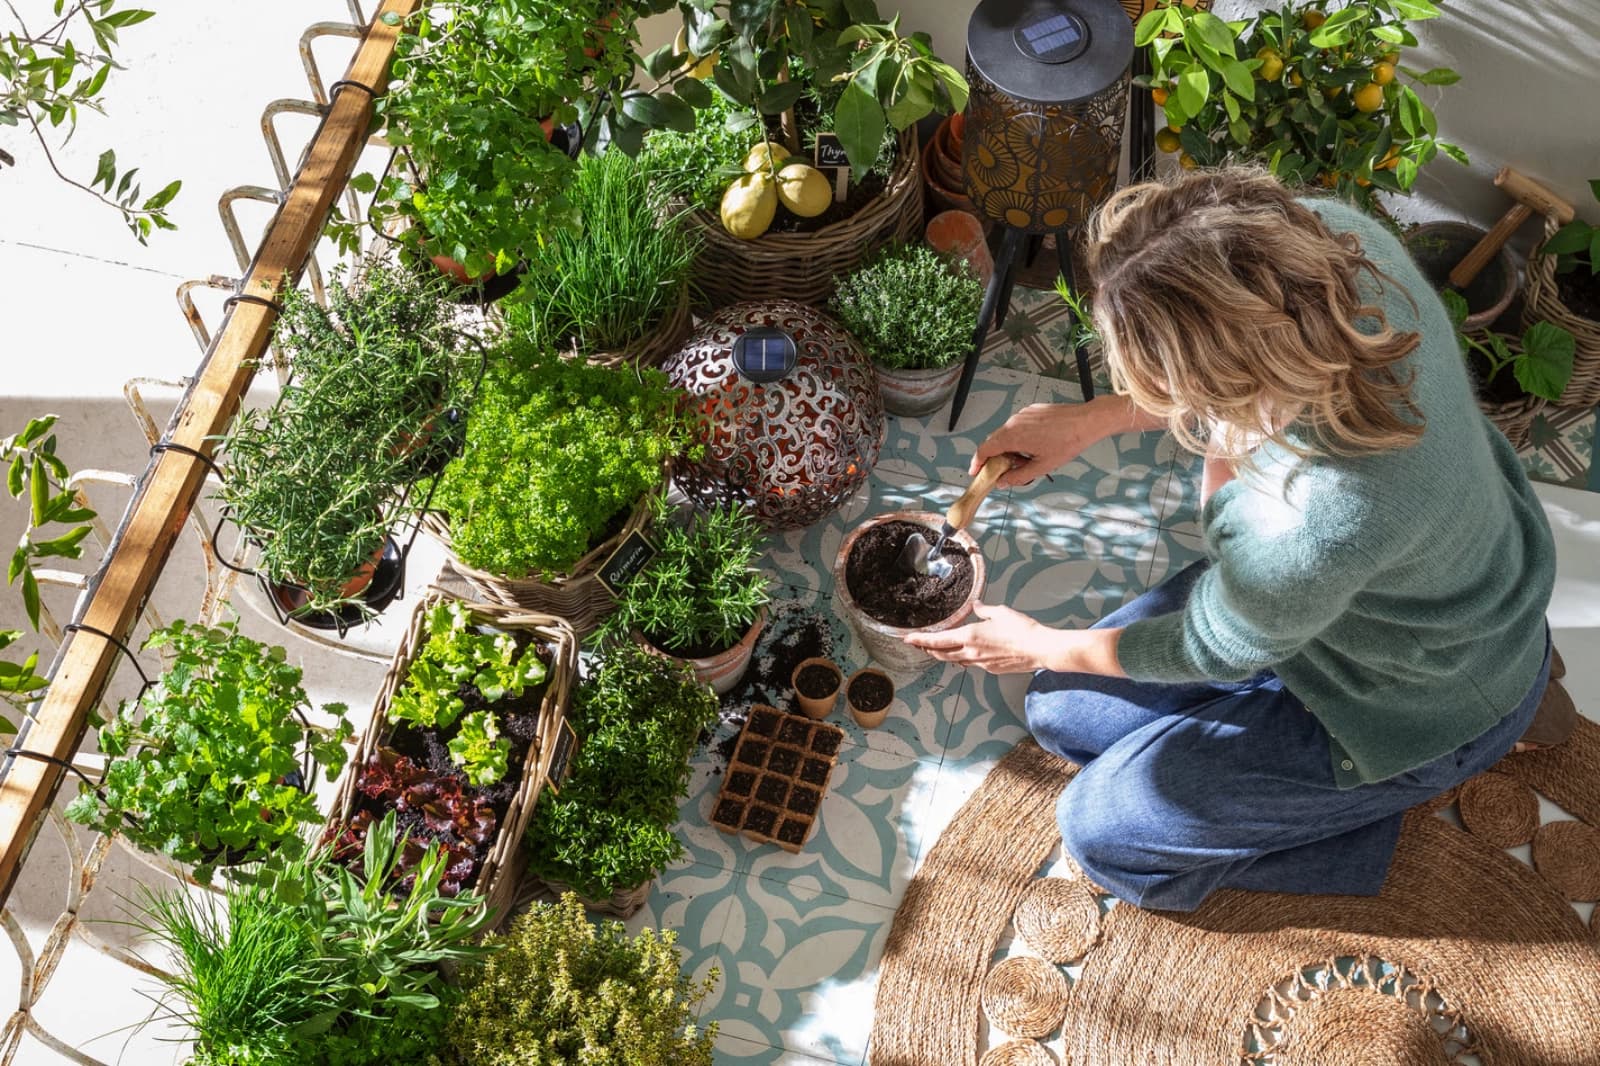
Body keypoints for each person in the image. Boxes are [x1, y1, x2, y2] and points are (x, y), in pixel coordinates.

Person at [904, 167, 1573, 913]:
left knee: (1100, 833)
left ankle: (1379, 813)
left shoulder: (1314, 514)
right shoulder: (1330, 243)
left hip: (1416, 700)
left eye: (1168, 379)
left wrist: (1036, 643)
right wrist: (1093, 419)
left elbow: (1213, 643)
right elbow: (1242, 382)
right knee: (1060, 712)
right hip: (1379, 598)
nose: (1159, 394)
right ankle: (1289, 769)